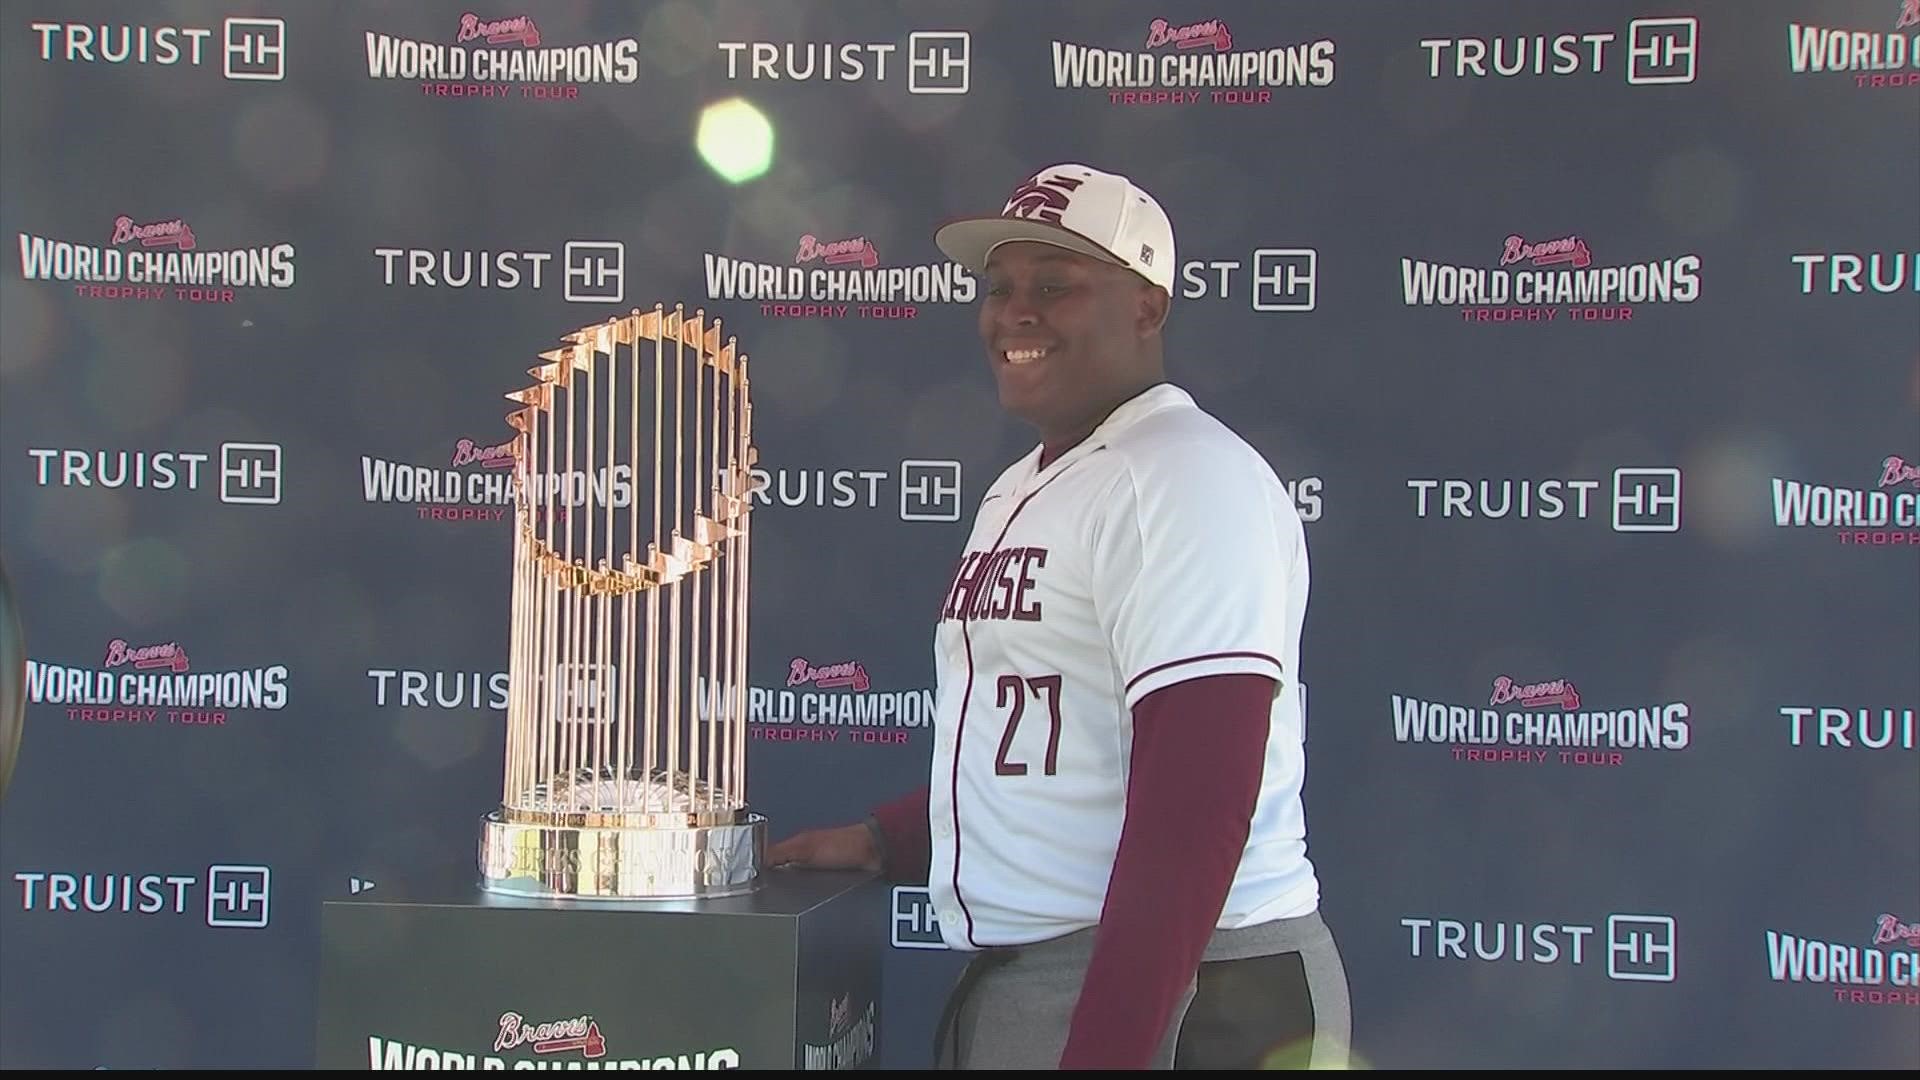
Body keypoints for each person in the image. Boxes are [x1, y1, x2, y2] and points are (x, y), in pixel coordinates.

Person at [765, 163, 1350, 1071]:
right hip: (1060, 975)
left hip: (1198, 988)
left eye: (1056, 287)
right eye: (999, 289)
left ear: (1148, 307)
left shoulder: (1185, 480)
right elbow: (1058, 739)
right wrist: (890, 840)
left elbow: (1195, 809)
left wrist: (1106, 1049)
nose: (1015, 313)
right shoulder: (1030, 483)